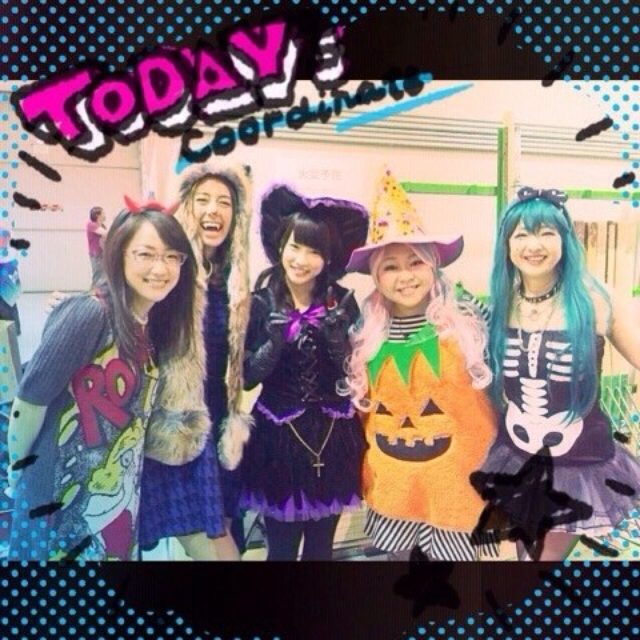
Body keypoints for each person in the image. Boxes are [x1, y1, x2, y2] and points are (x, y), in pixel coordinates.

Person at [6, 203, 197, 561]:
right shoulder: (91, 313)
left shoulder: (153, 327)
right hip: (55, 499)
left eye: (172, 257)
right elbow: (29, 401)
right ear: (119, 254)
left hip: (115, 502)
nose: (161, 268)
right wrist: (18, 473)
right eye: (146, 254)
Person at [474, 186, 640, 560]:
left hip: (578, 462)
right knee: (522, 555)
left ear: (565, 239)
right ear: (507, 245)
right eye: (522, 234)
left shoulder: (595, 300)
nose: (534, 245)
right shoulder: (501, 304)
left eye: (546, 232)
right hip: (517, 455)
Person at [344, 169, 498, 560]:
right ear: (376, 276)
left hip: (459, 485)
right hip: (395, 484)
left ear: (432, 266)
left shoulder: (468, 316)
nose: (405, 276)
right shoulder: (365, 329)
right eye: (390, 267)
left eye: (415, 262)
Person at [239, 184, 368, 561]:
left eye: (315, 251)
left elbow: (357, 378)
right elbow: (246, 378)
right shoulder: (259, 303)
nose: (302, 260)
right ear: (280, 246)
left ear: (328, 258)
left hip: (333, 438)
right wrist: (272, 344)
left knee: (320, 550)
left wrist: (338, 342)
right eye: (295, 246)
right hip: (278, 440)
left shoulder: (343, 302)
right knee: (279, 550)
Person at [139, 164, 253, 561]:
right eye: (202, 199)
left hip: (220, 418)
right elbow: (126, 295)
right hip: (179, 418)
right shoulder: (171, 270)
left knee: (224, 529)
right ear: (186, 207)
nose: (213, 210)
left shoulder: (235, 278)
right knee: (209, 543)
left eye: (224, 202)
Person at [86, 206, 108, 288]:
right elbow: (105, 233)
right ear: (97, 215)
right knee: (98, 275)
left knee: (103, 275)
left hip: (102, 253)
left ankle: (99, 292)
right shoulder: (91, 224)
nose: (105, 215)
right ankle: (93, 292)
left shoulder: (102, 225)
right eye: (103, 213)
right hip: (96, 254)